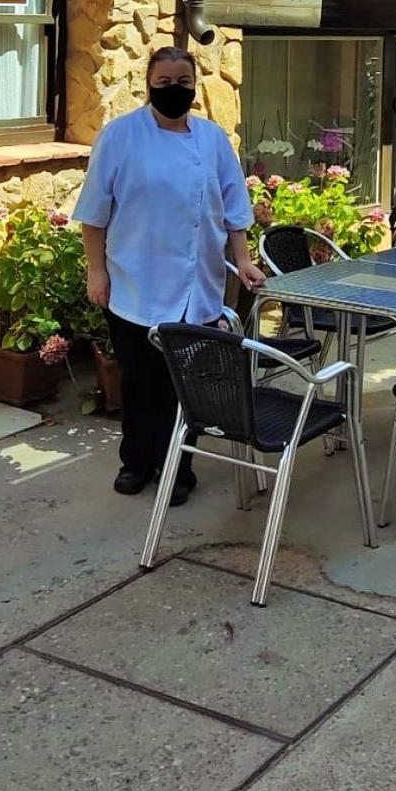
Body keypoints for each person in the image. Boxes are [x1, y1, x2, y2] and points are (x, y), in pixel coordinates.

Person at [74, 46, 265, 501]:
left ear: (194, 86)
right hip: (135, 282)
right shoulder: (120, 136)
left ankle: (178, 468)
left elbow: (234, 207)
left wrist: (243, 260)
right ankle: (136, 462)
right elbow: (94, 213)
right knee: (139, 381)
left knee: (185, 387)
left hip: (196, 284)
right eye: (164, 83)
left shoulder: (212, 139)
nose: (174, 90)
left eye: (183, 83)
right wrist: (96, 271)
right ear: (149, 84)